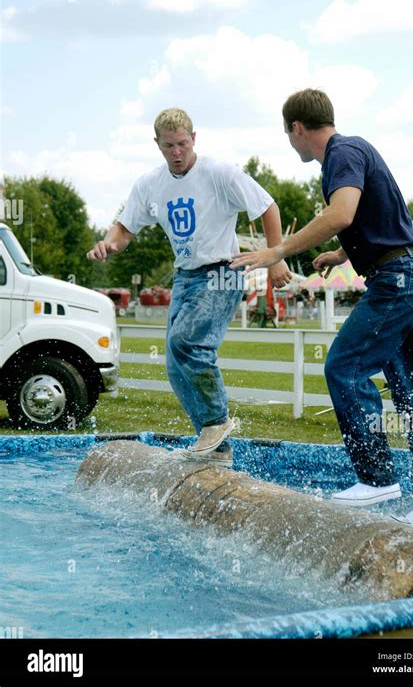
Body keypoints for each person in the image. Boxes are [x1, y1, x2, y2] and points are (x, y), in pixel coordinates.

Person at [231, 88, 413, 526]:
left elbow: (342, 214)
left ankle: (376, 478)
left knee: (344, 367)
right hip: (410, 272)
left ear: (298, 128)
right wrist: (343, 254)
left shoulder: (342, 152)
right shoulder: (355, 151)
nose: (290, 142)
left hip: (400, 280)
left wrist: (277, 251)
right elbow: (379, 219)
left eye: (288, 135)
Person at [87, 108, 291, 467]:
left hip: (222, 272)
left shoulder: (219, 174)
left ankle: (217, 421)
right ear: (158, 145)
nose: (177, 153)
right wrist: (109, 243)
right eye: (169, 146)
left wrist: (275, 257)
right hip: (186, 277)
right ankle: (216, 447)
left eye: (182, 144)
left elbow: (267, 206)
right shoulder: (150, 184)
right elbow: (124, 227)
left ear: (194, 138)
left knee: (188, 344)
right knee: (174, 363)